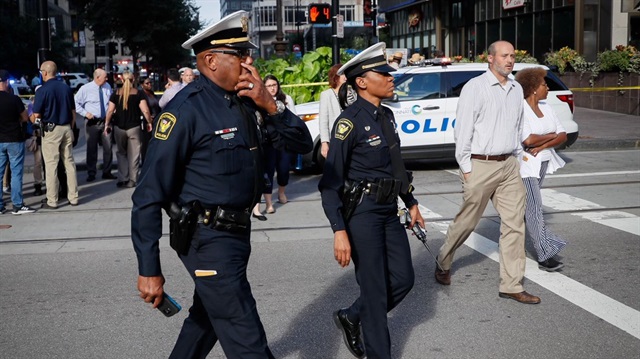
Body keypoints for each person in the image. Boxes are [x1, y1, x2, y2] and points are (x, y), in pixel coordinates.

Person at [130, 11, 312, 358]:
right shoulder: (185, 111)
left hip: (237, 233)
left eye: (248, 53)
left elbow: (301, 144)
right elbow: (148, 195)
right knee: (249, 343)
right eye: (240, 54)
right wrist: (148, 269)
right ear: (210, 60)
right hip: (206, 238)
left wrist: (270, 105)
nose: (249, 61)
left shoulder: (248, 99)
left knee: (207, 320)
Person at [318, 42, 425, 359]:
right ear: (361, 81)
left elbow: (396, 166)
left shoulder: (387, 116)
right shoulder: (348, 123)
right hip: (361, 214)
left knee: (404, 279)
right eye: (384, 73)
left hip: (389, 211)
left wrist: (411, 201)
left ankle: (351, 316)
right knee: (375, 291)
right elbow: (330, 183)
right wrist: (339, 229)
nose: (391, 78)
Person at [434, 40, 541, 304]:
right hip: (480, 165)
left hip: (508, 166)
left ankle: (511, 284)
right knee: (467, 222)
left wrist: (517, 157)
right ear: (490, 59)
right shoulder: (475, 87)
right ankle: (443, 259)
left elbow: (516, 126)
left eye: (513, 56)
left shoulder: (516, 88)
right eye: (504, 56)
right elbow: (464, 130)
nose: (510, 60)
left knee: (515, 223)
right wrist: (467, 168)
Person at [514, 67, 568, 272]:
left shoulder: (547, 107)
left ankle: (512, 239)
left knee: (527, 208)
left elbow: (562, 135)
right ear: (533, 88)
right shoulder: (521, 109)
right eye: (544, 84)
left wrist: (543, 145)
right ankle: (545, 253)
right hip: (527, 164)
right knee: (534, 208)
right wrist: (550, 135)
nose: (547, 87)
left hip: (543, 160)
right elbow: (527, 139)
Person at [32, 61, 79, 209]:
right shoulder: (66, 88)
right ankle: (74, 197)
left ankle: (52, 200)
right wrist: (70, 128)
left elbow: (37, 114)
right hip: (66, 127)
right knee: (69, 163)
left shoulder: (42, 90)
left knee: (51, 165)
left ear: (45, 73)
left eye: (41, 72)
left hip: (51, 130)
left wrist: (31, 118)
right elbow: (73, 112)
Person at [251, 75, 296, 219]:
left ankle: (281, 191)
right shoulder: (260, 100)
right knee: (268, 172)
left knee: (283, 170)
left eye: (274, 85)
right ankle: (269, 203)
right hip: (267, 141)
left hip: (284, 141)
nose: (272, 88)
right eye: (269, 85)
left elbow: (294, 119)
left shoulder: (286, 99)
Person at [104, 71, 152, 188]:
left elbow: (110, 111)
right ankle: (133, 179)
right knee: (134, 154)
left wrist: (107, 123)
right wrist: (149, 122)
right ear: (133, 79)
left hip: (119, 127)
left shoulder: (116, 93)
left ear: (121, 79)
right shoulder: (138, 93)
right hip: (134, 127)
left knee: (121, 153)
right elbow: (145, 110)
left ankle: (122, 178)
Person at [0, 69, 36, 215]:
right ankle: (17, 205)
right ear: (7, 82)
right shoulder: (14, 99)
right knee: (16, 173)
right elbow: (25, 118)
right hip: (14, 139)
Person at [74, 68, 116, 182]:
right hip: (92, 122)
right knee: (92, 148)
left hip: (105, 121)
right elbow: (75, 102)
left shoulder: (107, 86)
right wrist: (85, 113)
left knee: (108, 147)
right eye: (105, 77)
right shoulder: (85, 89)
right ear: (97, 77)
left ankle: (107, 171)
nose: (107, 79)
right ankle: (91, 172)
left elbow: (111, 101)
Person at [318, 63, 346, 159]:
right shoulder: (326, 95)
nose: (345, 77)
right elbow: (323, 121)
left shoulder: (351, 93)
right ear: (335, 77)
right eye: (342, 74)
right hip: (335, 137)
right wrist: (324, 143)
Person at [139, 77, 161, 162]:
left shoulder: (152, 93)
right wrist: (147, 117)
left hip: (156, 119)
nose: (149, 85)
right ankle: (145, 161)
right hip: (146, 121)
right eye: (147, 83)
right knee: (146, 143)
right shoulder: (141, 94)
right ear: (142, 85)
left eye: (150, 83)